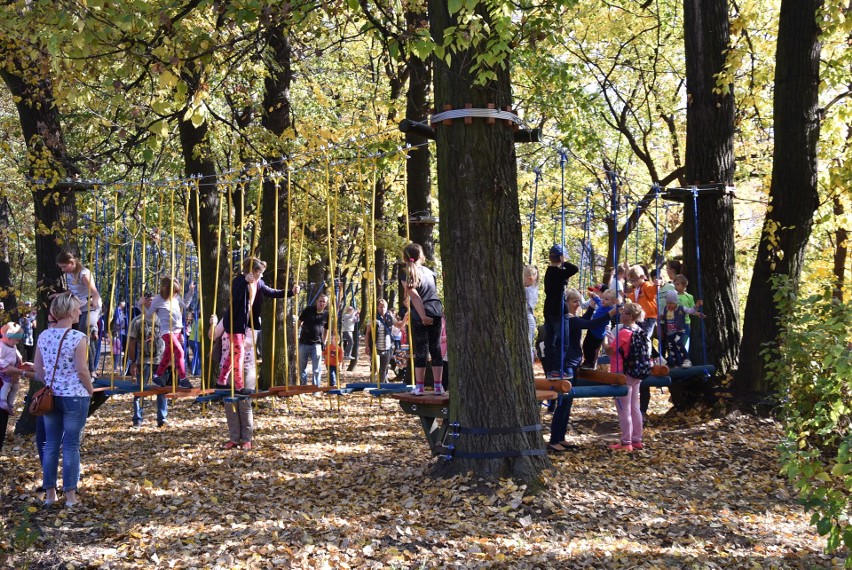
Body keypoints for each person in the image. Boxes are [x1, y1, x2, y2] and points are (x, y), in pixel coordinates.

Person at [35, 291, 94, 507]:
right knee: (70, 445)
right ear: (69, 312)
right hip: (75, 397)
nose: (80, 311)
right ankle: (70, 496)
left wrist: (50, 384)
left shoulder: (43, 335)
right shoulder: (78, 338)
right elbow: (82, 370)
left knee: (51, 444)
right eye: (77, 308)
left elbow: (39, 369)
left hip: (51, 396)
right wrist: (90, 389)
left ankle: (50, 494)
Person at [547, 289, 618, 453]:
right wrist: (610, 314)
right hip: (566, 366)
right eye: (574, 302)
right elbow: (590, 324)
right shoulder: (567, 320)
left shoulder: (572, 319)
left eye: (579, 301)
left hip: (573, 363)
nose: (578, 304)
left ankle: (560, 437)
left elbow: (584, 321)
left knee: (568, 404)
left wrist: (592, 307)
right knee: (563, 403)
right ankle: (554, 440)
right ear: (566, 304)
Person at [217, 257, 293, 394]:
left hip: (246, 324)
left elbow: (271, 292)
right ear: (252, 270)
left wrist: (291, 292)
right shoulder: (239, 280)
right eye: (260, 272)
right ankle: (239, 386)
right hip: (235, 322)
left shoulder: (259, 283)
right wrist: (245, 282)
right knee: (239, 354)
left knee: (233, 353)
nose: (262, 275)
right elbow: (235, 297)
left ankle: (221, 381)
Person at [602, 302, 648, 452]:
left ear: (630, 316)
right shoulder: (639, 330)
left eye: (624, 312)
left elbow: (610, 351)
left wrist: (604, 340)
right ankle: (637, 439)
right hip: (635, 373)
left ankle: (626, 442)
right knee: (635, 407)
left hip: (622, 374)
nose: (621, 314)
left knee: (623, 409)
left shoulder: (623, 333)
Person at [401, 242, 444, 396]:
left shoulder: (407, 273)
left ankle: (420, 387)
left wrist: (423, 316)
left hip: (421, 312)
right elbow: (430, 293)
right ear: (421, 256)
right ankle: (438, 386)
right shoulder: (430, 272)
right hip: (436, 309)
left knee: (421, 349)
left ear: (405, 257)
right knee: (435, 347)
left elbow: (416, 296)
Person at [143, 277, 195, 389]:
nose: (175, 294)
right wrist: (141, 305)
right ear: (166, 289)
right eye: (174, 291)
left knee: (167, 354)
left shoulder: (176, 298)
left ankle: (157, 375)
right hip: (166, 331)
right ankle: (183, 379)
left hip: (177, 331)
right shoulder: (158, 299)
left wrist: (190, 291)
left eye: (177, 292)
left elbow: (185, 305)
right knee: (180, 352)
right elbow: (148, 315)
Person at [56, 251, 102, 374]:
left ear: (72, 262)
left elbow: (95, 292)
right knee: (83, 337)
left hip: (91, 306)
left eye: (64, 267)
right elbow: (73, 291)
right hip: (79, 307)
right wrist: (61, 295)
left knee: (84, 332)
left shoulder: (84, 274)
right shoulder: (70, 274)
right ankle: (90, 367)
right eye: (61, 267)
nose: (62, 270)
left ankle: (91, 370)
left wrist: (95, 302)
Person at [126, 293, 167, 428]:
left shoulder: (162, 320)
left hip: (160, 360)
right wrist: (132, 361)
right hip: (143, 360)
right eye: (149, 300)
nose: (152, 303)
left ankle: (162, 418)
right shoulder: (137, 321)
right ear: (144, 302)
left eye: (154, 301)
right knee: (140, 390)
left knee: (161, 389)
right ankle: (137, 419)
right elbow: (131, 342)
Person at [626, 264, 660, 415]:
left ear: (642, 277)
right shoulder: (635, 290)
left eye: (635, 280)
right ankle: (654, 355)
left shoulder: (646, 286)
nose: (633, 283)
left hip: (650, 317)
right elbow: (632, 300)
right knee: (639, 336)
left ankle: (649, 356)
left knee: (646, 336)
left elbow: (652, 293)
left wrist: (657, 285)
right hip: (640, 318)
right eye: (631, 281)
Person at [542, 245, 579, 378]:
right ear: (560, 257)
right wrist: (564, 261)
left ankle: (551, 369)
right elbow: (574, 269)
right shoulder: (558, 273)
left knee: (550, 341)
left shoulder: (549, 271)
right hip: (557, 310)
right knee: (563, 342)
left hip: (549, 309)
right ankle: (557, 369)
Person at [659, 290, 704, 368]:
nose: (669, 305)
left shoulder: (681, 308)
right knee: (671, 348)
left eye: (671, 303)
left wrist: (696, 306)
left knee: (679, 344)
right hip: (669, 333)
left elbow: (690, 311)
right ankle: (676, 364)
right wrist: (661, 316)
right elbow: (664, 316)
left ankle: (686, 360)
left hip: (679, 331)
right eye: (667, 303)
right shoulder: (666, 309)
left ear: (676, 302)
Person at [581, 288, 620, 369]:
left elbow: (618, 313)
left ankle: (590, 363)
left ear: (613, 302)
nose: (603, 300)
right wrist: (593, 295)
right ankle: (587, 362)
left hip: (598, 334)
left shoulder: (610, 309)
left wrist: (619, 305)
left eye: (606, 299)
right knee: (585, 345)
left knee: (592, 349)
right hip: (592, 330)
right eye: (603, 298)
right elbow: (598, 299)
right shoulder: (601, 304)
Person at [298, 294, 329, 387]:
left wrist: (324, 341)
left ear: (326, 304)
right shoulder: (308, 310)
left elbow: (326, 329)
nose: (321, 303)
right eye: (320, 301)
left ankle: (315, 388)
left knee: (317, 368)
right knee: (302, 367)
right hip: (303, 343)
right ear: (317, 301)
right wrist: (296, 336)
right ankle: (303, 387)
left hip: (317, 344)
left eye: (324, 302)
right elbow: (299, 322)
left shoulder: (326, 314)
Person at [366, 299, 395, 384]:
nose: (382, 309)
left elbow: (399, 325)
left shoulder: (390, 318)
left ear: (387, 308)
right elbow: (367, 333)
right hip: (376, 347)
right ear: (378, 308)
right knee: (375, 367)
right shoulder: (373, 318)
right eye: (380, 307)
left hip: (387, 348)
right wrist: (367, 346)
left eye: (384, 307)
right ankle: (372, 383)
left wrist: (405, 318)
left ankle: (381, 386)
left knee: (383, 369)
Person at [0, 323, 26, 413]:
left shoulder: (12, 345)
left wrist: (19, 357)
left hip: (13, 369)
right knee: (6, 384)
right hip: (5, 370)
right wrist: (6, 365)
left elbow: (16, 351)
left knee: (15, 387)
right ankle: (2, 400)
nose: (18, 342)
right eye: (17, 340)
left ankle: (10, 404)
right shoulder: (1, 346)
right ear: (8, 337)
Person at [673, 274, 696, 350]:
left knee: (684, 342)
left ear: (684, 285)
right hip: (675, 323)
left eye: (677, 284)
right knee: (675, 342)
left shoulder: (689, 297)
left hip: (686, 323)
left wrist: (697, 313)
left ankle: (684, 358)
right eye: (674, 284)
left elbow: (692, 310)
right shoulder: (673, 296)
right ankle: (676, 358)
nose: (675, 286)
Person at [523, 265, 540, 364]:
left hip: (528, 317)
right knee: (529, 341)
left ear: (529, 278)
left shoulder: (528, 290)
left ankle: (529, 363)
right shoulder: (534, 288)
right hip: (529, 316)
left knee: (528, 342)